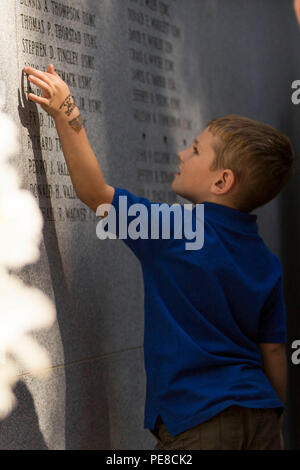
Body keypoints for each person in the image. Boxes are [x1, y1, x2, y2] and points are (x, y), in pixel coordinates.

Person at [22, 64, 294, 450]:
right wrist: (274, 420)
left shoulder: (175, 229)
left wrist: (67, 111)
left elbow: (95, 194)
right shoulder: (266, 260)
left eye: (196, 149)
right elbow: (275, 352)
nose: (183, 152)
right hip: (261, 415)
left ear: (222, 181)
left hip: (200, 420)